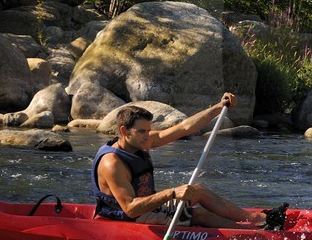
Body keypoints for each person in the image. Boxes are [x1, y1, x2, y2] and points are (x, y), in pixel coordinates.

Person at [92, 94, 266, 229]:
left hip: (148, 207)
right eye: (142, 131)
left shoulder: (141, 141)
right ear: (124, 131)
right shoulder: (112, 163)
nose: (148, 137)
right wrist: (172, 193)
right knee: (199, 215)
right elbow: (130, 208)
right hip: (130, 216)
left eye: (148, 131)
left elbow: (184, 128)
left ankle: (257, 219)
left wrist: (218, 108)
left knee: (198, 191)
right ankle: (252, 237)